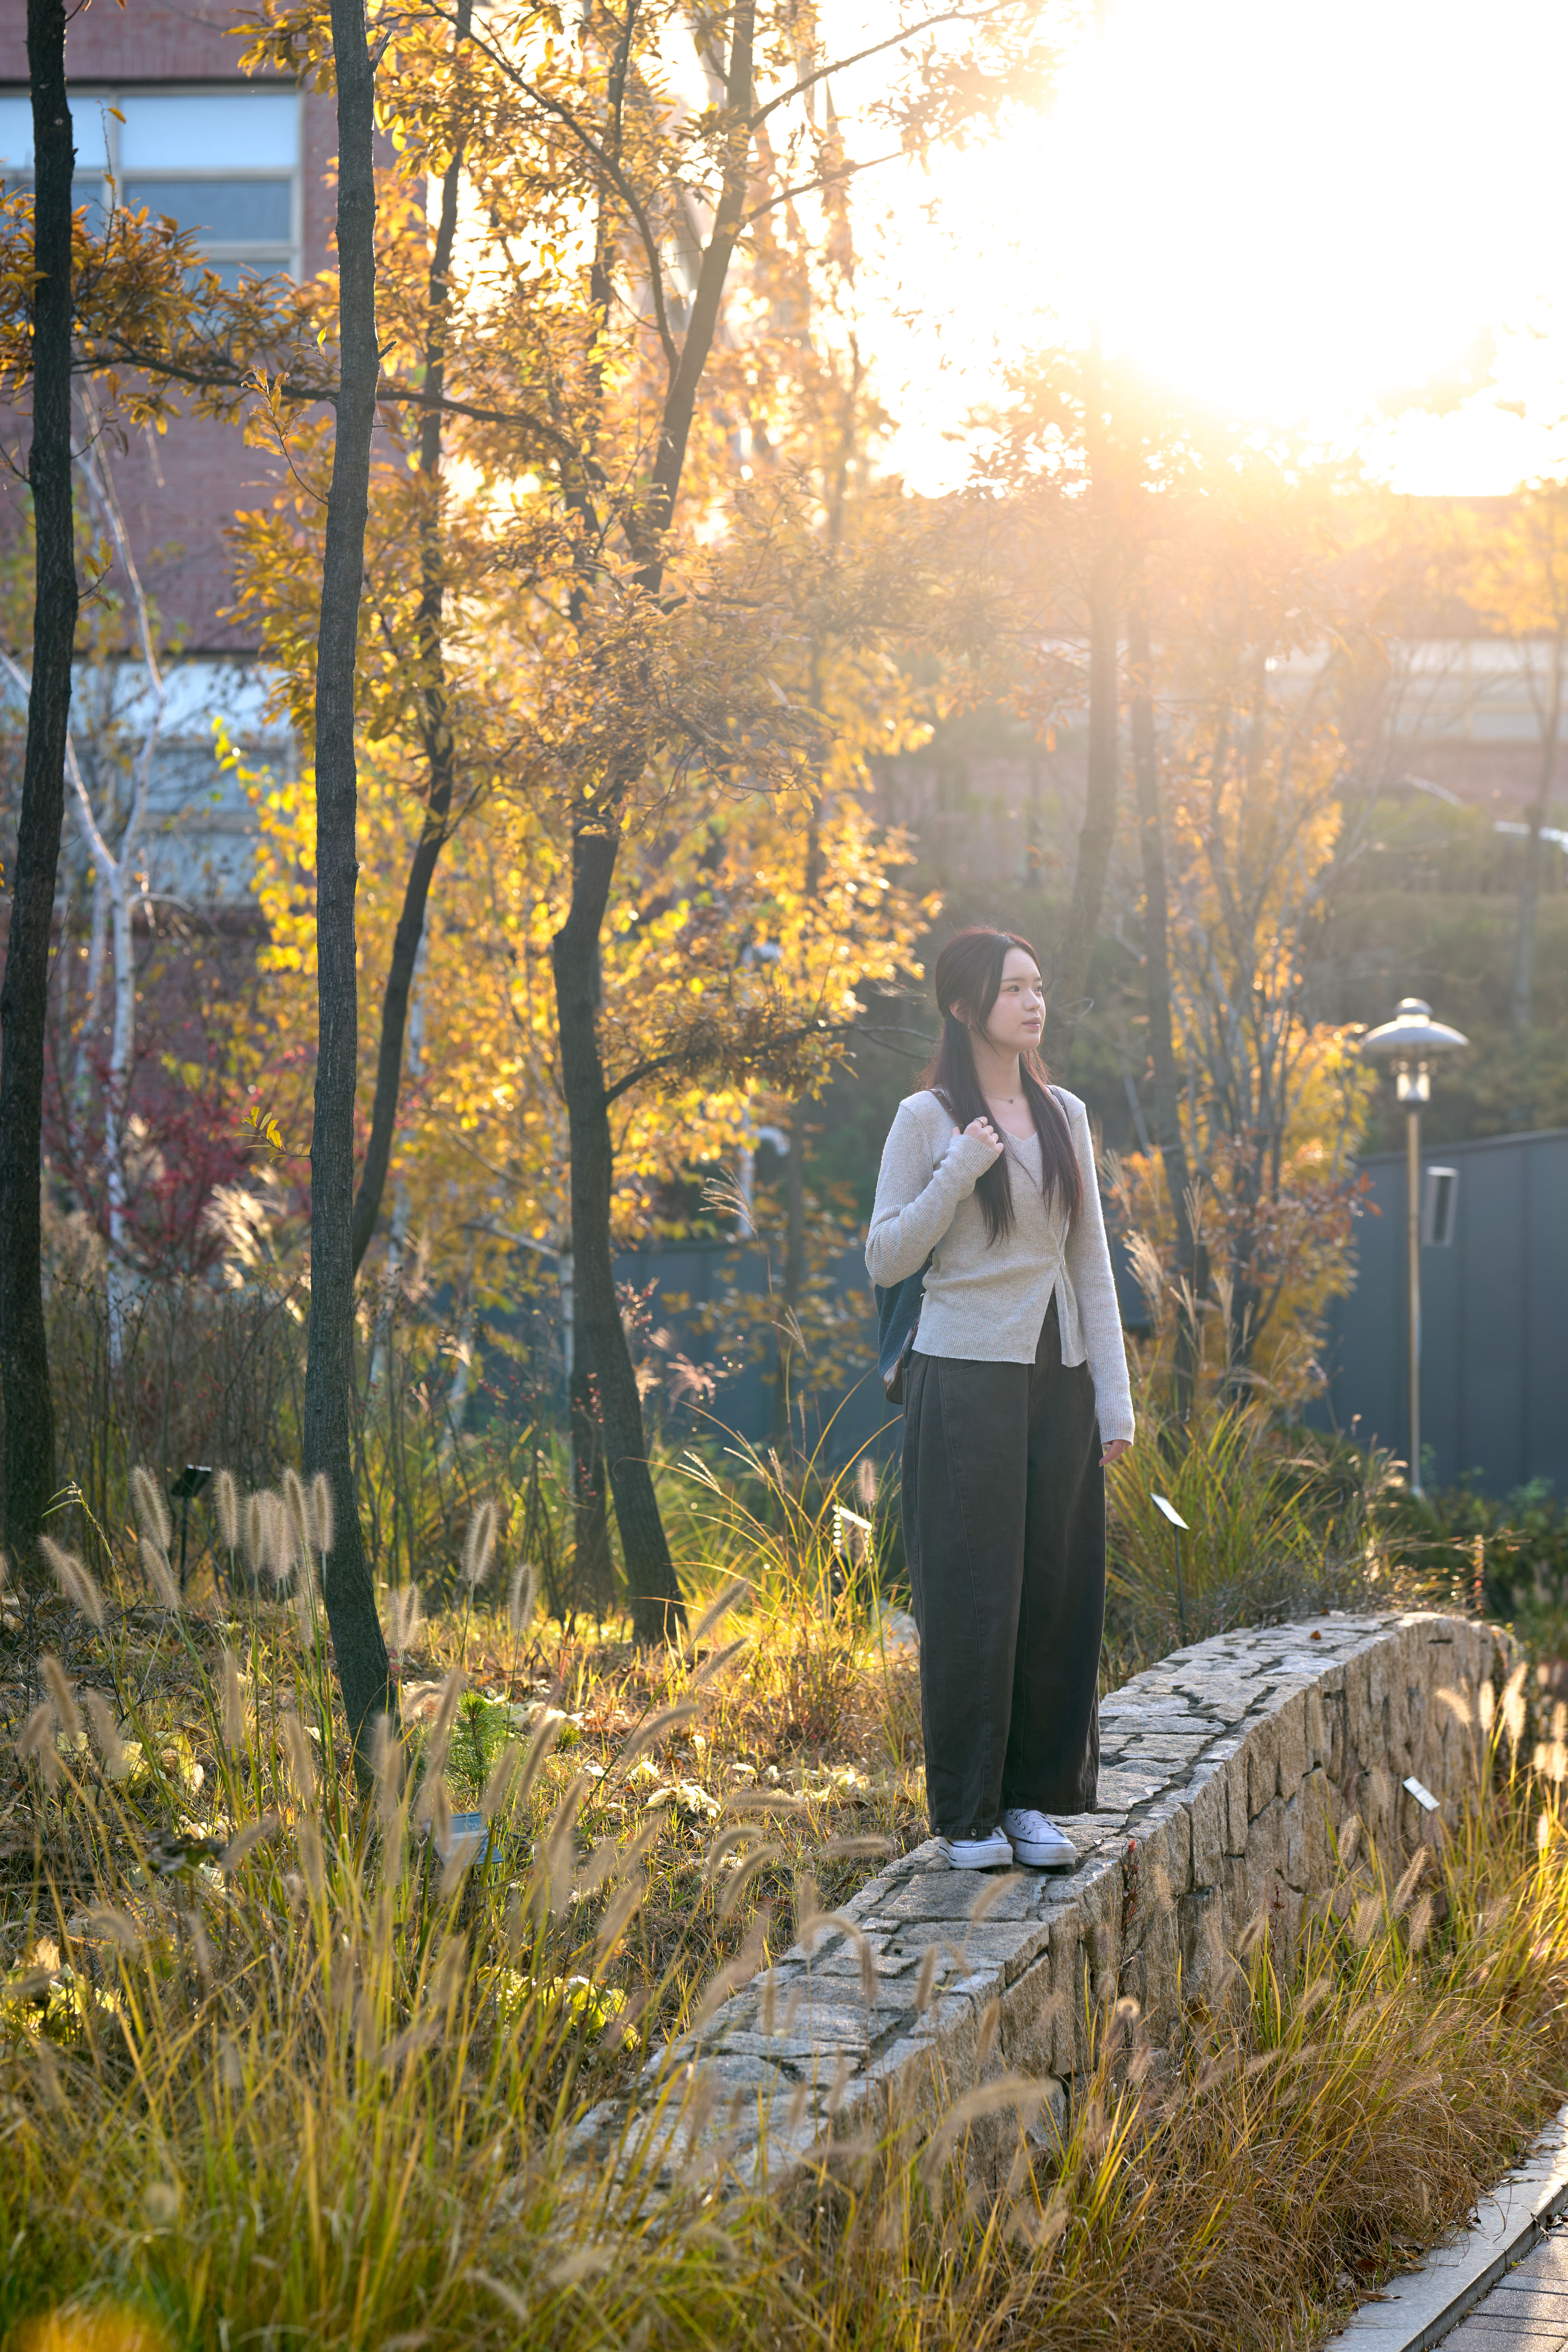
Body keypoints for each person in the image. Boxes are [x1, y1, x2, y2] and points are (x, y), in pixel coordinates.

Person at [865, 927, 1134, 1871]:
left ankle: (1034, 1804)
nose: (1033, 1002)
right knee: (979, 1596)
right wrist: (959, 1172)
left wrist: (1114, 1395)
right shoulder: (926, 1119)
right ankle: (968, 1818)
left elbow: (1089, 1259)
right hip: (964, 1372)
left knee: (1057, 1592)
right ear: (963, 1006)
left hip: (1058, 1377)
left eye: (1038, 984)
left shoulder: (1066, 1112)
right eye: (1012, 988)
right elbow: (887, 1254)